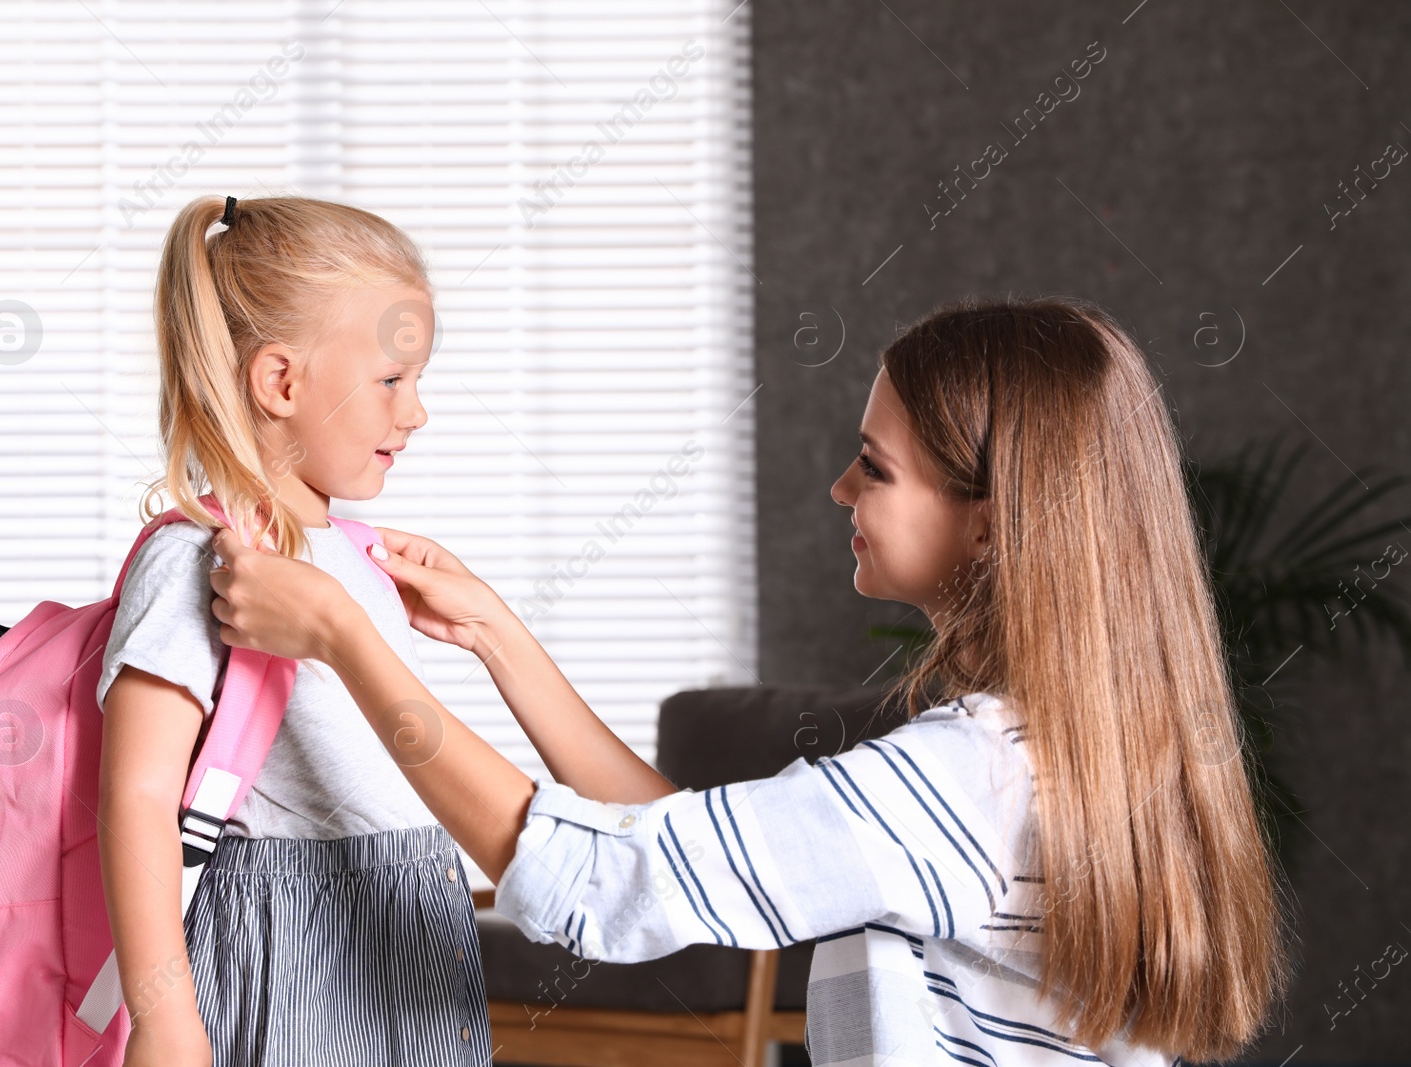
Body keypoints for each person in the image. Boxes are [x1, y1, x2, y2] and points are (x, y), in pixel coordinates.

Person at [206, 295, 1291, 1067]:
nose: (838, 485)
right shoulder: (1065, 748)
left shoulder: (961, 777)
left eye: (874, 464)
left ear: (989, 518)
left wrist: (348, 643)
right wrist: (500, 639)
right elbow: (697, 844)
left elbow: (599, 881)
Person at [95, 194, 490, 1067]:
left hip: (408, 930)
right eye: (392, 380)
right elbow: (138, 798)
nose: (415, 411)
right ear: (280, 382)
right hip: (299, 941)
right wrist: (164, 1020)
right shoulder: (206, 555)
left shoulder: (357, 557)